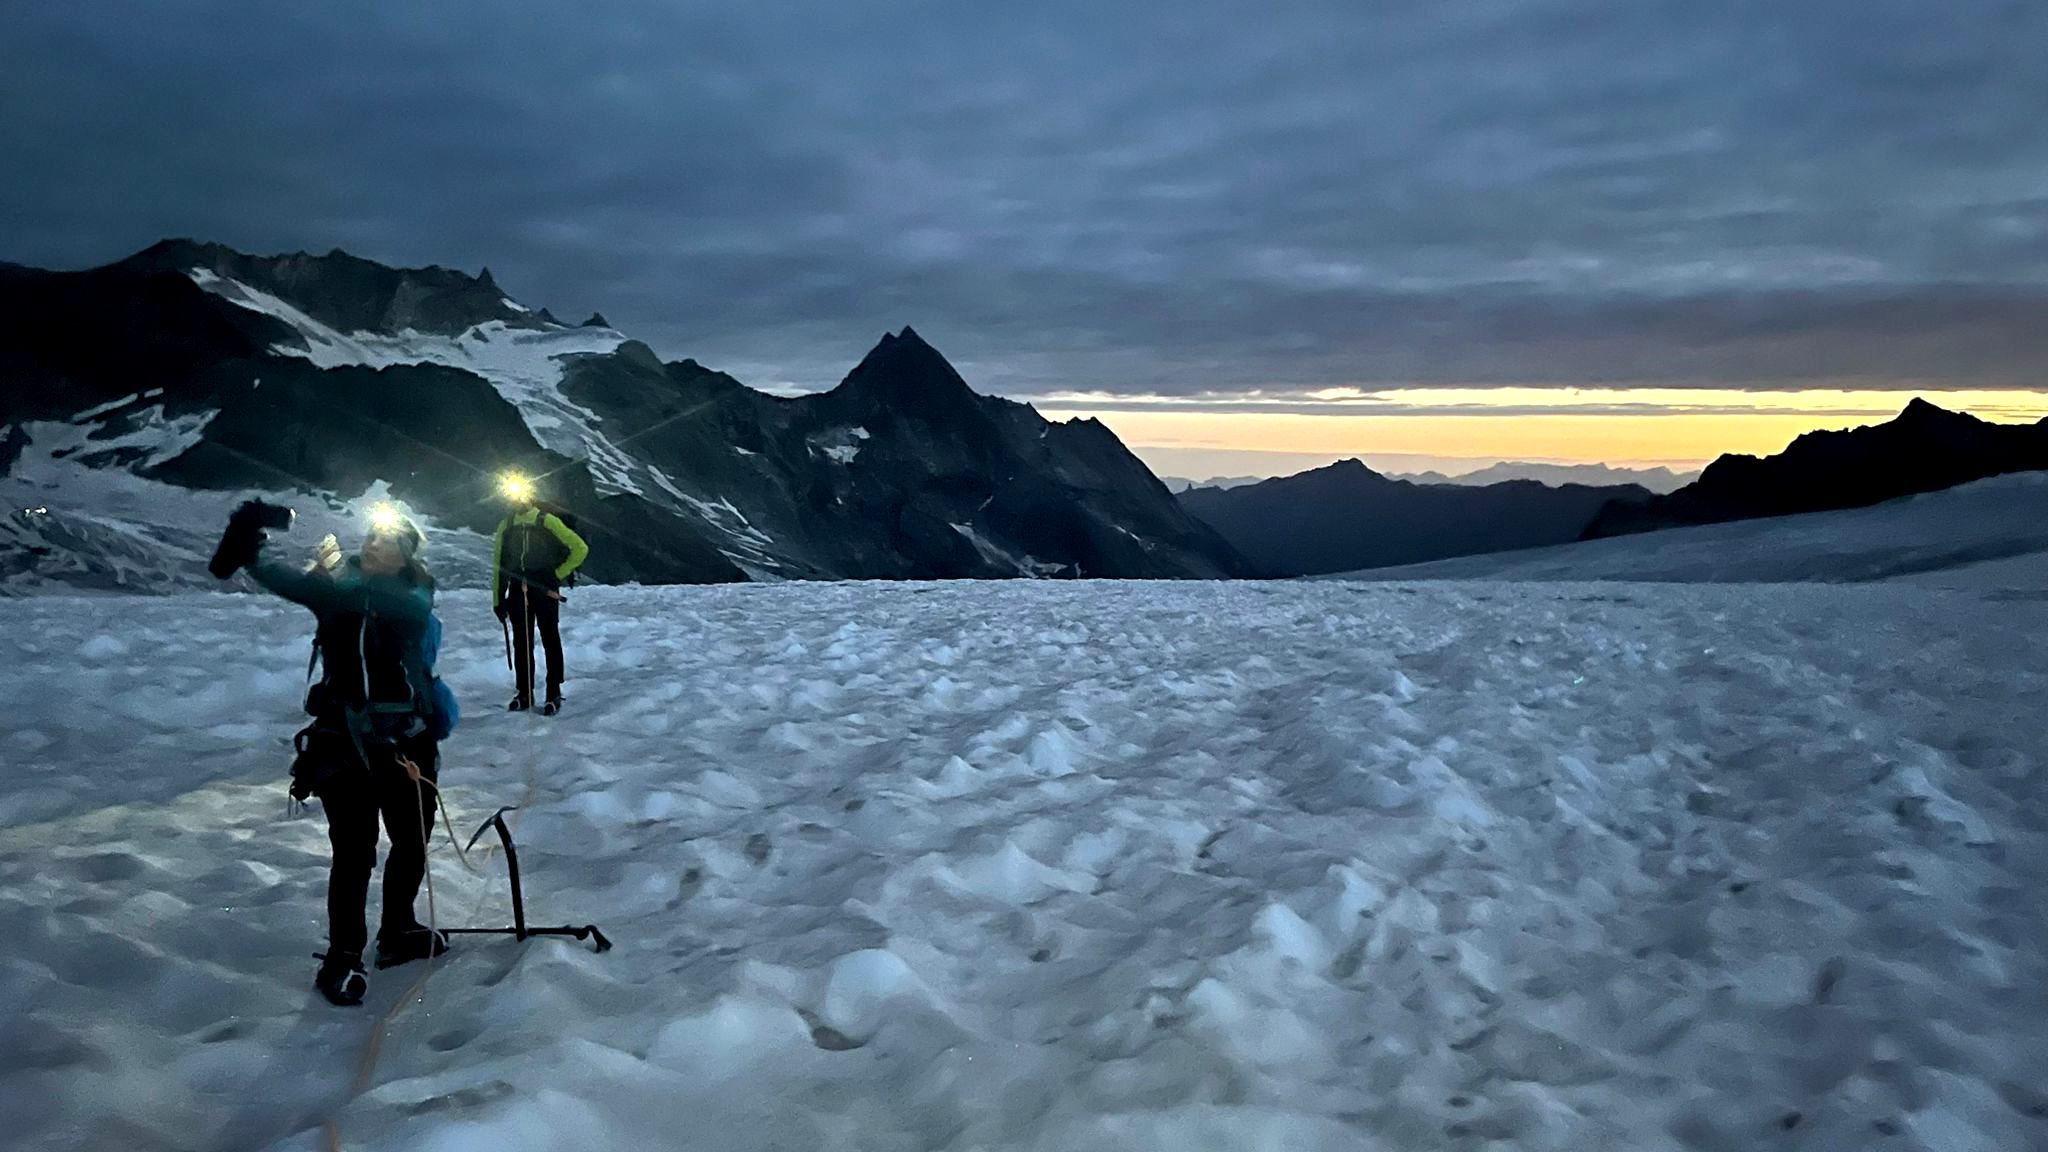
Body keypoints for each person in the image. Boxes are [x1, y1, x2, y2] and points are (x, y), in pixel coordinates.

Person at [211, 501, 456, 1006]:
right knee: (355, 852)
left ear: (406, 558)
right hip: (350, 742)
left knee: (409, 842)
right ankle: (349, 951)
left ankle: (396, 931)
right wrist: (254, 554)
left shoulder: (408, 595)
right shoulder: (344, 590)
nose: (373, 545)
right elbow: (302, 585)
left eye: (387, 543)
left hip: (397, 741)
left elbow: (396, 605)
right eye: (371, 539)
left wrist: (319, 580)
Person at [491, 491, 588, 715]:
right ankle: (538, 693)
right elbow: (579, 550)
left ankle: (539, 692)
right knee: (540, 641)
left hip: (527, 589)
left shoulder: (509, 525)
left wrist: (499, 599)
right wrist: (556, 575)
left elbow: (499, 565)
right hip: (540, 589)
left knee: (539, 640)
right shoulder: (539, 522)